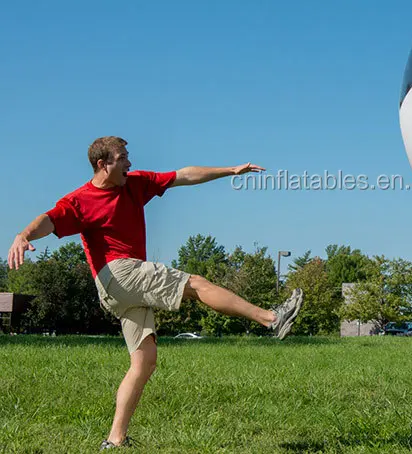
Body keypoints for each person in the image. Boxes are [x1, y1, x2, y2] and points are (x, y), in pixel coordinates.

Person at [6, 136, 303, 450]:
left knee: (144, 362)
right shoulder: (81, 200)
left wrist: (230, 170)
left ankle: (115, 440)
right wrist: (23, 235)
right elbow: (49, 220)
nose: (129, 163)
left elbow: (183, 176)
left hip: (116, 291)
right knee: (197, 285)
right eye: (122, 158)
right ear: (102, 164)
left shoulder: (135, 184)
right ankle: (272, 318)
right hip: (119, 272)